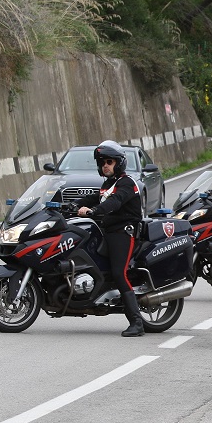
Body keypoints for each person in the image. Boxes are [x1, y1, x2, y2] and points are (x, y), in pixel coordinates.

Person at [75, 140, 145, 337]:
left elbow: (115, 202)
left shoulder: (127, 183)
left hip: (124, 233)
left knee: (119, 273)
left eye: (109, 161)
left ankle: (137, 322)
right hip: (107, 232)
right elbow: (93, 198)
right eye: (103, 162)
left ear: (119, 163)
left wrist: (94, 211)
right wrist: (70, 205)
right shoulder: (107, 185)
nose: (105, 165)